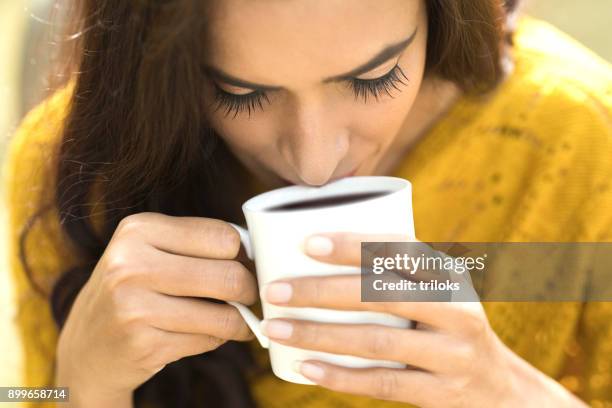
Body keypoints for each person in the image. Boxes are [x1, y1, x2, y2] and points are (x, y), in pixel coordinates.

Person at [4, 0, 612, 407]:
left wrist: (504, 390)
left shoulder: (583, 141)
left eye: (374, 79)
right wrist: (80, 381)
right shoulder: (80, 168)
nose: (315, 164)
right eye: (241, 92)